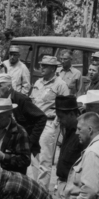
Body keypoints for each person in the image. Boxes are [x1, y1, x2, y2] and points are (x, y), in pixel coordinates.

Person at [0, 74, 48, 159]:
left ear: (9, 86)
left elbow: (41, 117)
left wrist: (31, 140)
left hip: (23, 143)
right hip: (7, 143)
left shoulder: (21, 99)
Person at [31, 56, 70, 188]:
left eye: (45, 66)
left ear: (53, 68)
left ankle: (42, 191)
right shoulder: (38, 82)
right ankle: (36, 189)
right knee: (34, 158)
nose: (41, 68)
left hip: (48, 123)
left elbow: (65, 108)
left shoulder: (60, 84)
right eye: (41, 65)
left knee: (45, 160)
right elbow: (32, 101)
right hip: (34, 123)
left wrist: (55, 125)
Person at [0, 98, 32, 174]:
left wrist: (4, 156)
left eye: (0, 117)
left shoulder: (20, 133)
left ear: (9, 116)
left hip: (10, 178)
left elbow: (25, 160)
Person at [53, 96, 84, 199]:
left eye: (60, 117)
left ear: (71, 114)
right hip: (62, 184)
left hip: (72, 188)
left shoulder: (81, 134)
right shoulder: (67, 129)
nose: (59, 121)